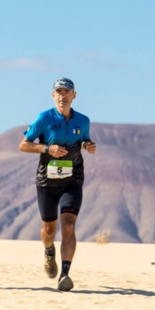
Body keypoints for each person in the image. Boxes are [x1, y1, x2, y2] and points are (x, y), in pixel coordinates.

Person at [19, 78, 96, 291]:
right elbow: (23, 145)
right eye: (59, 92)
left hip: (73, 180)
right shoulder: (44, 118)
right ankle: (49, 251)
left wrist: (88, 145)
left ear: (74, 95)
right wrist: (47, 149)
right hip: (47, 181)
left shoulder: (83, 121)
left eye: (66, 92)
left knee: (69, 225)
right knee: (49, 230)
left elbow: (83, 141)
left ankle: (65, 274)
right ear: (53, 96)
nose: (63, 95)